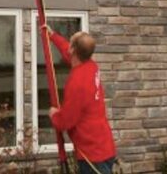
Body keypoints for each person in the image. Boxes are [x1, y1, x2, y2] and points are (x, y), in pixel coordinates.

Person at [41, 25, 116, 174]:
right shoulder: (91, 67)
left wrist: (54, 115)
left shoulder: (77, 83)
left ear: (73, 49)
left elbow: (66, 120)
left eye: (70, 42)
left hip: (92, 154)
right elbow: (72, 56)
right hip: (104, 146)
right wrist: (53, 36)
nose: (68, 45)